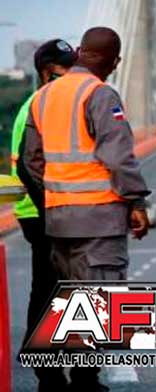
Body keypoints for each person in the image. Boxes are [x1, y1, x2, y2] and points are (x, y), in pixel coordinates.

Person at [19, 27, 150, 392]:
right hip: (99, 220)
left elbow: (31, 160)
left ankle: (63, 379)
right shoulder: (100, 94)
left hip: (59, 218)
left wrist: (59, 191)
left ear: (79, 51)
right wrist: (136, 202)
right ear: (115, 62)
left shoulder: (43, 97)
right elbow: (118, 155)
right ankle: (84, 382)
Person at [12, 39, 76, 392]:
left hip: (44, 208)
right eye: (67, 68)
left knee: (53, 290)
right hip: (40, 210)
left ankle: (48, 365)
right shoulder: (40, 105)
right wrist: (54, 210)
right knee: (51, 291)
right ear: (48, 72)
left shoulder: (48, 102)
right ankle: (48, 374)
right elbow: (29, 167)